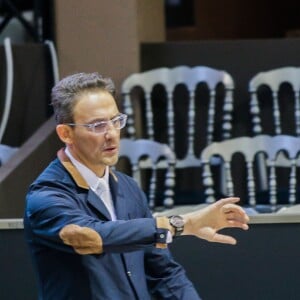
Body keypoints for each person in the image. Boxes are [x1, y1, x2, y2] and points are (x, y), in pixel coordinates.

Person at [23, 72, 249, 300]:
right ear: (66, 133)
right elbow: (92, 236)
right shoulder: (46, 194)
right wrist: (183, 224)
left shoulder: (128, 187)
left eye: (115, 121)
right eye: (97, 125)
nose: (111, 134)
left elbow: (162, 273)